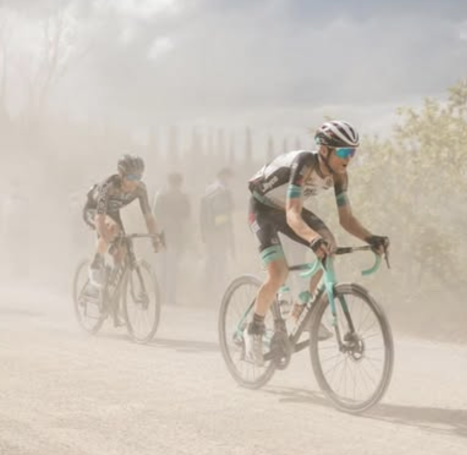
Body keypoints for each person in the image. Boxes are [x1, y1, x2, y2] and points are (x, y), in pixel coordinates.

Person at [243, 120, 389, 366]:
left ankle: (305, 310)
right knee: (278, 273)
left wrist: (370, 238)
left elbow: (347, 219)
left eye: (353, 152)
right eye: (344, 152)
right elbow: (292, 214)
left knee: (329, 243)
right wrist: (312, 239)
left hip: (285, 210)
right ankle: (254, 329)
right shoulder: (304, 164)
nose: (349, 158)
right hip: (262, 209)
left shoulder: (340, 175)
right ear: (324, 150)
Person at [82, 154, 163, 297]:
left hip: (112, 213)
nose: (135, 182)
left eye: (138, 177)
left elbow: (149, 217)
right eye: (131, 178)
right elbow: (100, 220)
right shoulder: (109, 187)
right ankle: (96, 265)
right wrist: (109, 241)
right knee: (112, 230)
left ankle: (113, 295)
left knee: (122, 251)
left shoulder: (140, 189)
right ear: (121, 175)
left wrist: (155, 238)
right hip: (94, 210)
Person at [153, 172, 192, 304]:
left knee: (162, 267)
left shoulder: (161, 195)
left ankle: (161, 297)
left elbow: (155, 215)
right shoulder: (183, 197)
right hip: (175, 236)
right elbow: (187, 215)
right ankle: (170, 298)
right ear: (180, 183)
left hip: (162, 235)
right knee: (172, 268)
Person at [200, 167, 235, 298]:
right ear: (222, 176)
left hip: (212, 232)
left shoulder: (210, 188)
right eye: (228, 177)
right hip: (218, 232)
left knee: (212, 261)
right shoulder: (220, 191)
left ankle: (208, 291)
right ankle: (215, 292)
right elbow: (219, 212)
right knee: (218, 262)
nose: (229, 180)